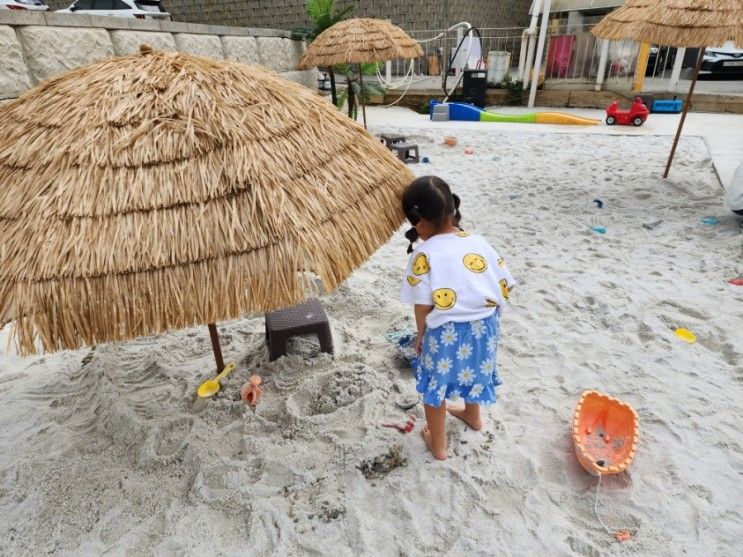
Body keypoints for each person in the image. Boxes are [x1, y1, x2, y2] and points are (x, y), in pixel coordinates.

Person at [399, 176, 515, 460]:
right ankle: (473, 416)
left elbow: (422, 305)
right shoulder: (479, 241)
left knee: (434, 387)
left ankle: (438, 445)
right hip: (486, 326)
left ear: (419, 223)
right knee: (473, 372)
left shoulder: (423, 254)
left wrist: (420, 335)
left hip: (445, 332)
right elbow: (506, 284)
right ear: (452, 210)